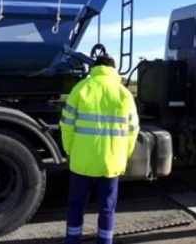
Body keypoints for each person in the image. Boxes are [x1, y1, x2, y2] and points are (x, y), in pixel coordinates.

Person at [59, 54, 139, 244]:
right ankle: (105, 241)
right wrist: (123, 156)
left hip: (82, 162)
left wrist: (70, 151)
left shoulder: (81, 88)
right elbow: (133, 130)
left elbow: (66, 125)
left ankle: (73, 239)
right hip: (111, 162)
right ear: (114, 69)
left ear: (94, 68)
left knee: (76, 204)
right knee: (107, 207)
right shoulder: (124, 93)